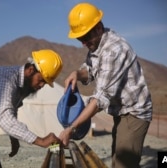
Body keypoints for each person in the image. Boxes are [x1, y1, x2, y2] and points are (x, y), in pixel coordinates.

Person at [59, 3, 153, 168]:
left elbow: (101, 98)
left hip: (134, 113)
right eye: (79, 38)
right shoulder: (97, 44)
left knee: (124, 164)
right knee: (118, 160)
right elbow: (89, 70)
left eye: (85, 37)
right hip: (121, 112)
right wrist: (76, 73)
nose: (83, 43)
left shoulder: (113, 51)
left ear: (98, 27)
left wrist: (71, 128)